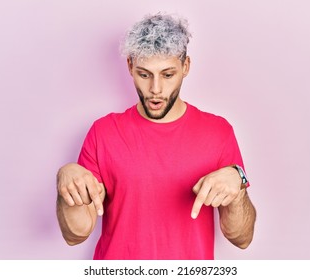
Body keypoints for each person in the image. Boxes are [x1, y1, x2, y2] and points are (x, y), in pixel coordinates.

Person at [56, 12, 256, 260]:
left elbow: (242, 238)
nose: (156, 89)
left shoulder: (218, 132)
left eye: (168, 74)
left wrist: (238, 186)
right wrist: (65, 182)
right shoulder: (103, 132)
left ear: (186, 67)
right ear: (130, 66)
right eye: (144, 74)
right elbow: (75, 234)